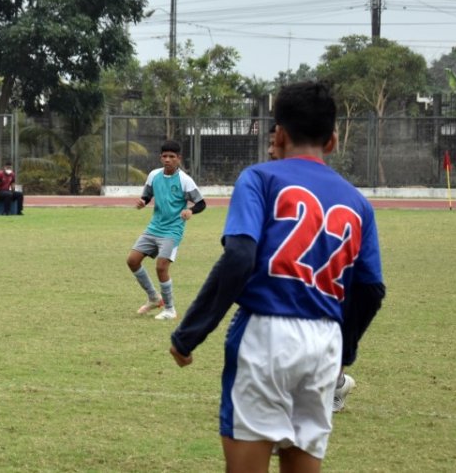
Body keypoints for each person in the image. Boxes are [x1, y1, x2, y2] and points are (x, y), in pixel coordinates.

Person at [168, 81, 385, 472]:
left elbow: (239, 257)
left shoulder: (260, 179)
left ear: (279, 133)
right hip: (325, 342)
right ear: (333, 141)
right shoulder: (358, 203)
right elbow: (370, 289)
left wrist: (189, 334)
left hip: (265, 336)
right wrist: (344, 353)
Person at [128, 140, 206, 321]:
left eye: (172, 157)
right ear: (160, 158)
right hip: (154, 227)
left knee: (161, 267)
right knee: (132, 260)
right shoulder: (154, 175)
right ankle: (154, 298)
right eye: (165, 156)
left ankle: (170, 309)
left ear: (179, 159)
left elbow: (201, 203)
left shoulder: (185, 180)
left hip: (172, 230)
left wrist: (190, 210)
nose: (168, 160)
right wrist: (142, 202)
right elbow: (147, 196)